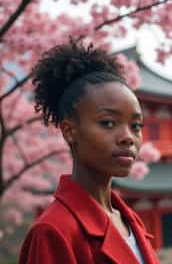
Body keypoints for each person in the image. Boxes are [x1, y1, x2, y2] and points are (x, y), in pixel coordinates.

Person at [19, 40, 160, 264]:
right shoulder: (54, 231)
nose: (128, 137)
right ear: (69, 131)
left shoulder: (130, 220)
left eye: (136, 126)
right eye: (108, 123)